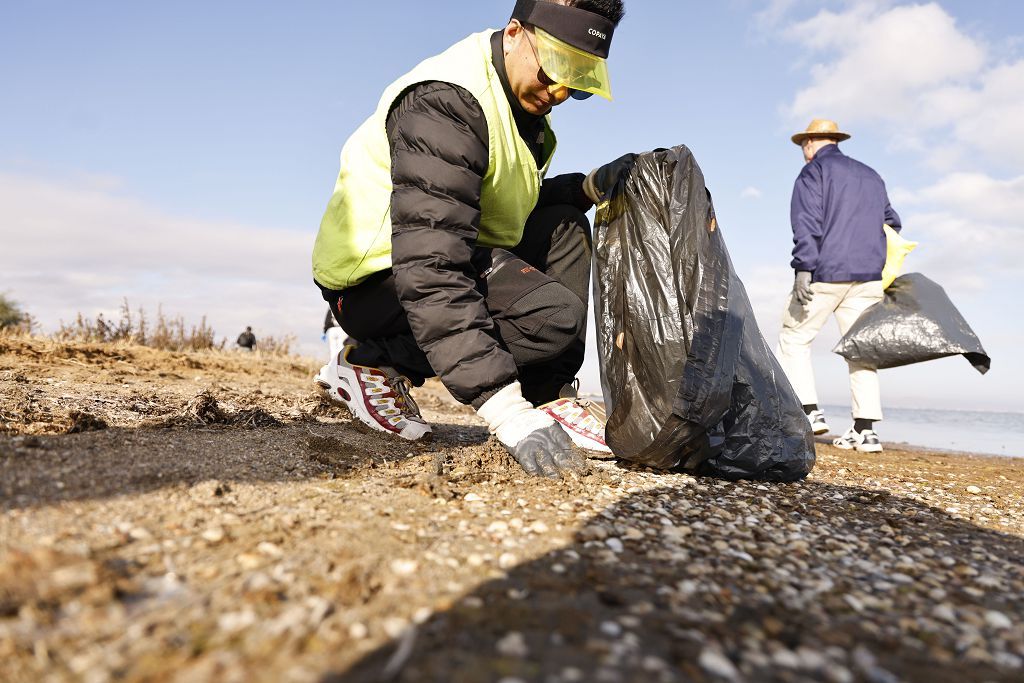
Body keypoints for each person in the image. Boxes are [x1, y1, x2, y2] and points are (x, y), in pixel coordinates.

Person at [311, 0, 625, 478]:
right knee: (551, 319)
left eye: (578, 81)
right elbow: (430, 265)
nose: (560, 91)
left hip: (447, 252)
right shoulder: (447, 104)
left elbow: (508, 208)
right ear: (517, 31)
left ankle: (549, 395)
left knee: (563, 221)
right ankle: (368, 361)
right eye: (555, 68)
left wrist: (590, 184)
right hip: (376, 279)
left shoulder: (520, 101)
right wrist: (506, 413)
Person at [777, 119, 902, 453]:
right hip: (868, 276)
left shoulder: (813, 173)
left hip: (825, 272)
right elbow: (892, 223)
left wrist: (803, 268)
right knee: (862, 349)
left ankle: (809, 411)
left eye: (804, 144)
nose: (803, 151)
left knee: (794, 338)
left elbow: (807, 223)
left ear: (811, 142)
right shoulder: (870, 175)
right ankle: (866, 431)